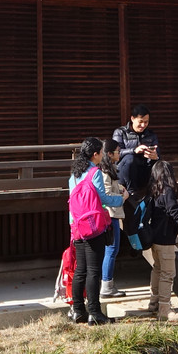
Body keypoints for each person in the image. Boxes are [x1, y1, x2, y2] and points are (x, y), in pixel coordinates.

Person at [67, 136, 126, 325]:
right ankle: (94, 312)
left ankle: (78, 311)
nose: (102, 155)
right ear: (95, 154)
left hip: (77, 226)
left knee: (80, 270)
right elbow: (104, 199)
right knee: (93, 271)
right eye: (101, 151)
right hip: (93, 227)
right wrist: (122, 198)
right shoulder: (95, 173)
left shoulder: (74, 175)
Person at [139, 160, 178, 322]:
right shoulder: (167, 191)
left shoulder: (153, 190)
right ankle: (165, 310)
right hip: (165, 239)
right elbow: (174, 210)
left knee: (157, 269)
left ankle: (154, 303)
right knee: (167, 274)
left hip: (154, 237)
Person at [99, 139, 127, 299]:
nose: (120, 153)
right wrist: (123, 197)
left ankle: (107, 284)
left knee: (111, 250)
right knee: (111, 249)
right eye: (117, 151)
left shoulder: (109, 169)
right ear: (109, 154)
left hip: (112, 213)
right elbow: (106, 195)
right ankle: (106, 285)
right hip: (110, 214)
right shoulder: (105, 172)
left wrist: (120, 189)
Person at [114, 105, 160, 199]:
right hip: (124, 173)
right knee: (130, 158)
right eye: (140, 122)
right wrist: (134, 150)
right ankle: (132, 192)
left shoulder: (151, 135)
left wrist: (155, 156)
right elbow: (115, 154)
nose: (143, 125)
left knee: (161, 164)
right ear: (132, 119)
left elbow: (158, 154)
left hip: (143, 172)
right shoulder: (120, 132)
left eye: (146, 122)